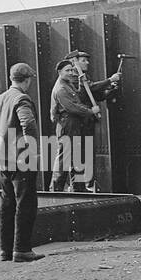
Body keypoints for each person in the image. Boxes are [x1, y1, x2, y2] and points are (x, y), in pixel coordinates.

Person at [0, 63, 43, 262]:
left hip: (1, 158)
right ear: (26, 80)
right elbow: (28, 124)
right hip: (20, 159)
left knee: (7, 205)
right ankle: (22, 250)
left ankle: (5, 251)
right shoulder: (21, 98)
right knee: (25, 204)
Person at [49, 58, 99, 192]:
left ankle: (79, 188)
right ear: (60, 72)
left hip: (73, 124)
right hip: (67, 124)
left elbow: (77, 99)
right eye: (67, 70)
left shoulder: (68, 84)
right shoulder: (60, 88)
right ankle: (56, 189)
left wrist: (82, 84)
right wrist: (90, 111)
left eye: (72, 69)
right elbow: (72, 107)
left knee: (76, 157)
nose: (71, 72)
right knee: (64, 158)